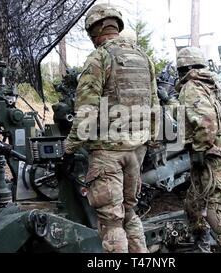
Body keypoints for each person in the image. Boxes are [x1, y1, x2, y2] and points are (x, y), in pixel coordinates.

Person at [64, 4, 160, 253]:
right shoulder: (143, 58)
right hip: (136, 151)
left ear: (94, 31)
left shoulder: (100, 57)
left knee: (111, 222)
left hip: (108, 153)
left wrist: (70, 147)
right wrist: (152, 141)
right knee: (129, 213)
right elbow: (154, 105)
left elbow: (87, 109)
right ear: (116, 26)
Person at [176, 47, 221, 253]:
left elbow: (206, 123)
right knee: (193, 205)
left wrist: (199, 151)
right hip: (220, 154)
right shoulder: (213, 84)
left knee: (214, 210)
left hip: (213, 157)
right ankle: (201, 248)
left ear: (184, 68)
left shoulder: (192, 86)